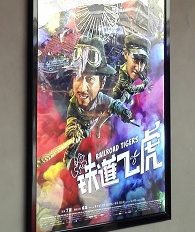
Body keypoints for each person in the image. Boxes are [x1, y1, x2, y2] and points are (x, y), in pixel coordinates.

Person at [63, 37, 132, 165]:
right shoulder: (74, 102)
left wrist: (124, 112)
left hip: (97, 124)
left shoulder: (101, 98)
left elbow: (114, 104)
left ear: (102, 82)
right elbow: (71, 119)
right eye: (78, 77)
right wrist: (73, 130)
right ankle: (68, 159)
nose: (82, 88)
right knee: (73, 146)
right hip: (81, 128)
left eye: (90, 79)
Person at [112, 34, 150, 105]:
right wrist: (144, 86)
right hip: (119, 97)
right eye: (135, 59)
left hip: (127, 96)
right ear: (126, 53)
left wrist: (147, 82)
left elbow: (143, 77)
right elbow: (130, 90)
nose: (138, 68)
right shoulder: (123, 72)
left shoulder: (137, 70)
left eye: (142, 62)